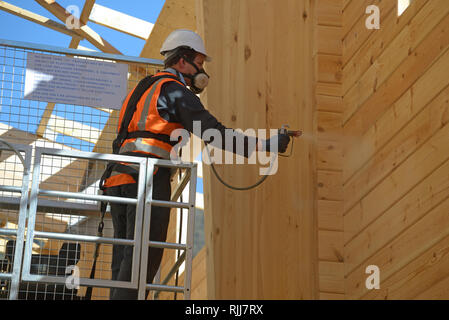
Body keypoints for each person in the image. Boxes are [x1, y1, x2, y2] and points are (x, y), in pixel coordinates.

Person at [101, 29, 291, 300]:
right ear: (182, 61)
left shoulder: (142, 89)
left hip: (118, 182)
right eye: (199, 64)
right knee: (143, 259)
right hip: (147, 179)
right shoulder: (174, 90)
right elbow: (213, 132)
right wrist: (264, 146)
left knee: (124, 264)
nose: (202, 71)